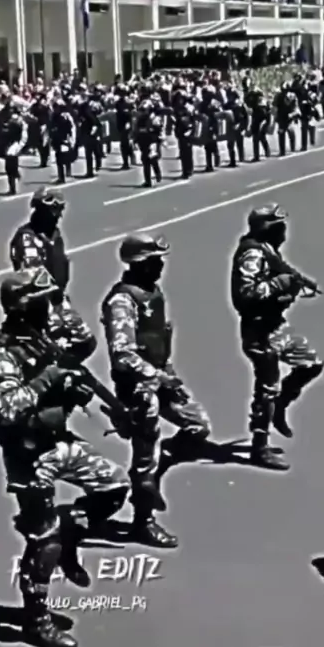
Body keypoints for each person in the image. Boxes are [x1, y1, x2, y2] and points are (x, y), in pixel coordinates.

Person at [0, 267, 129, 647]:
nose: (50, 307)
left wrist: (71, 390)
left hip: (57, 440)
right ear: (24, 307)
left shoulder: (43, 338)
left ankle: (70, 534)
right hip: (28, 454)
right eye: (43, 302)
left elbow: (81, 348)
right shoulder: (1, 352)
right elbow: (6, 409)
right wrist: (47, 380)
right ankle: (36, 619)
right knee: (43, 541)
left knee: (114, 486)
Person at [101, 234, 211, 547]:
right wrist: (158, 377)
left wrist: (168, 376)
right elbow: (122, 354)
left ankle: (159, 469)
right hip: (138, 388)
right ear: (138, 263)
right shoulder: (122, 301)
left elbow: (158, 343)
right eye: (154, 261)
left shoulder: (152, 293)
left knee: (198, 426)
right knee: (144, 458)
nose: (160, 265)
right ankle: (143, 522)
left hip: (161, 378)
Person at [231, 203, 324, 470]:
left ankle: (280, 405)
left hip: (276, 325)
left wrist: (301, 280)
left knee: (311, 363)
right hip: (259, 331)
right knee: (267, 389)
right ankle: (259, 447)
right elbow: (245, 294)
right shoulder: (251, 255)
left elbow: (282, 268)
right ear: (267, 229)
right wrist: (278, 285)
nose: (284, 231)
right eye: (279, 227)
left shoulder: (267, 249)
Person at [9, 187, 95, 361]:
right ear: (41, 211)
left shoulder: (54, 234)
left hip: (58, 299)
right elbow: (35, 277)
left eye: (60, 210)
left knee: (86, 341)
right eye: (53, 211)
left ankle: (65, 368)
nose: (58, 216)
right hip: (41, 304)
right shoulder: (28, 238)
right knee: (54, 348)